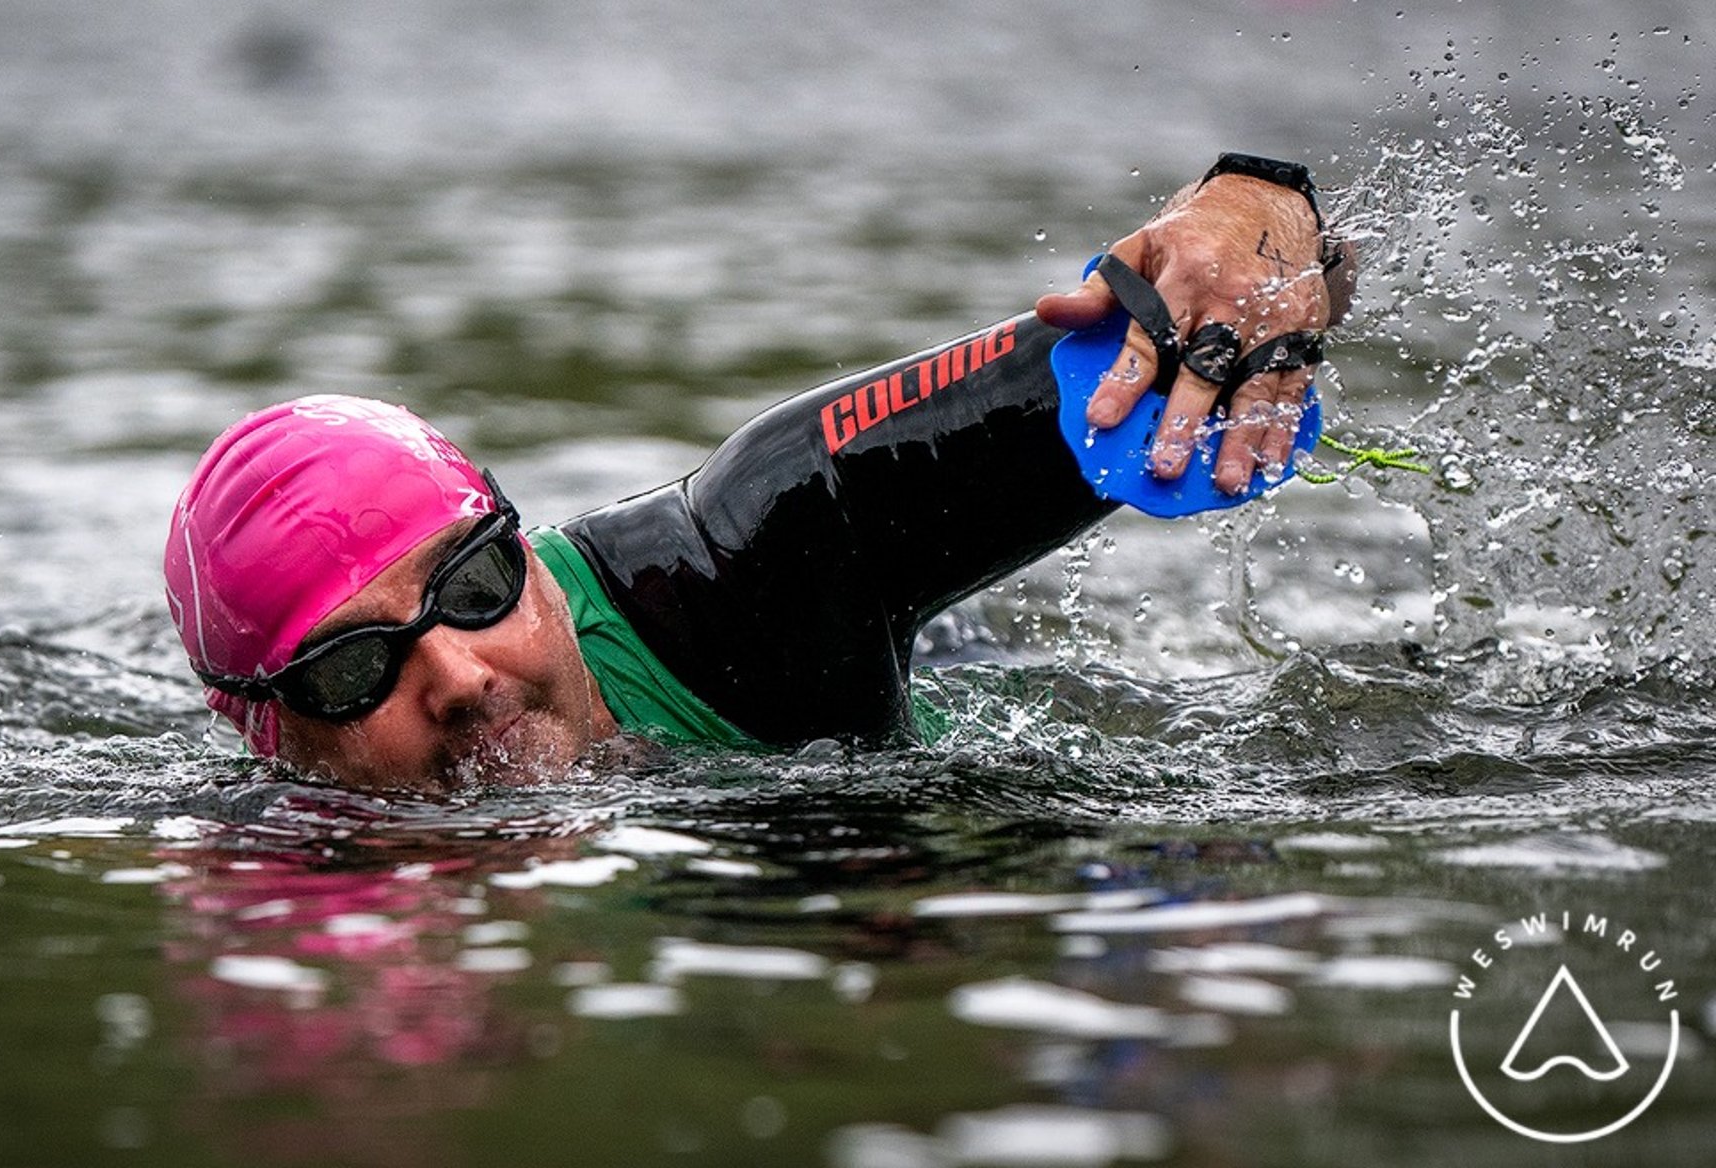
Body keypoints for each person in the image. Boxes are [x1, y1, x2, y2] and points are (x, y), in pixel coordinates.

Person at [164, 155, 1356, 790]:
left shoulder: (763, 551)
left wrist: (1252, 219)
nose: (465, 676)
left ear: (523, 550)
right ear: (268, 734)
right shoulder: (274, 850)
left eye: (474, 585)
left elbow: (1186, 301)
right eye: (357, 666)